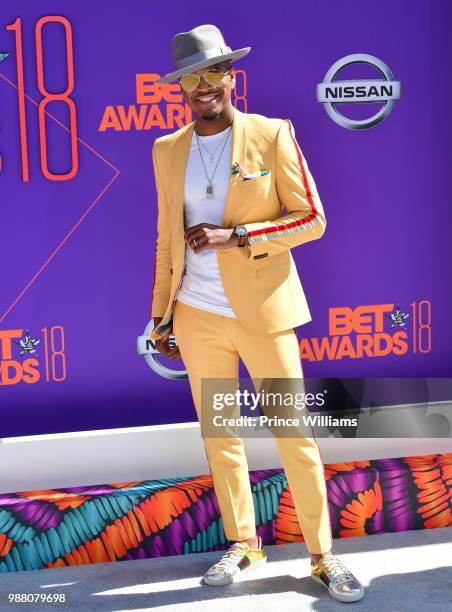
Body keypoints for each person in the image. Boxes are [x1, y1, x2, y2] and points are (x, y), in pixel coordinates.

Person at [149, 24, 365, 603]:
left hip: (263, 314)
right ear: (180, 88)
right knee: (221, 434)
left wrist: (237, 234)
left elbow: (311, 218)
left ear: (231, 77)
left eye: (213, 72)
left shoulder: (272, 135)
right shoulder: (166, 150)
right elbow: (167, 240)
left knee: (294, 435)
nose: (204, 85)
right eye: (191, 77)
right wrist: (161, 317)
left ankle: (323, 556)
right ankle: (244, 542)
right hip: (196, 315)